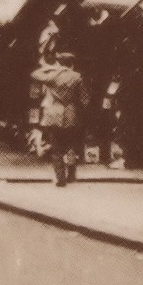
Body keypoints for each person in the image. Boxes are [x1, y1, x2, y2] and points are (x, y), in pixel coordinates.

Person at [32, 51, 89, 187]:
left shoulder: (53, 76)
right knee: (71, 147)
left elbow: (35, 74)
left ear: (59, 63)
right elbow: (84, 100)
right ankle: (71, 176)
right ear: (72, 64)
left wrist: (51, 68)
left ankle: (60, 179)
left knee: (56, 148)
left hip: (54, 114)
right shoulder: (77, 77)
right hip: (71, 114)